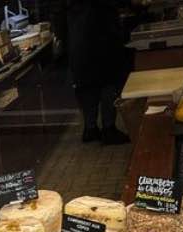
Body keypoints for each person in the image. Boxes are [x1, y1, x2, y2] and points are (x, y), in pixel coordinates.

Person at [56, 0, 133, 144]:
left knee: (86, 84)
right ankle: (108, 129)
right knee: (108, 82)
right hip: (100, 35)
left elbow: (60, 13)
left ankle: (90, 128)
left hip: (77, 37)